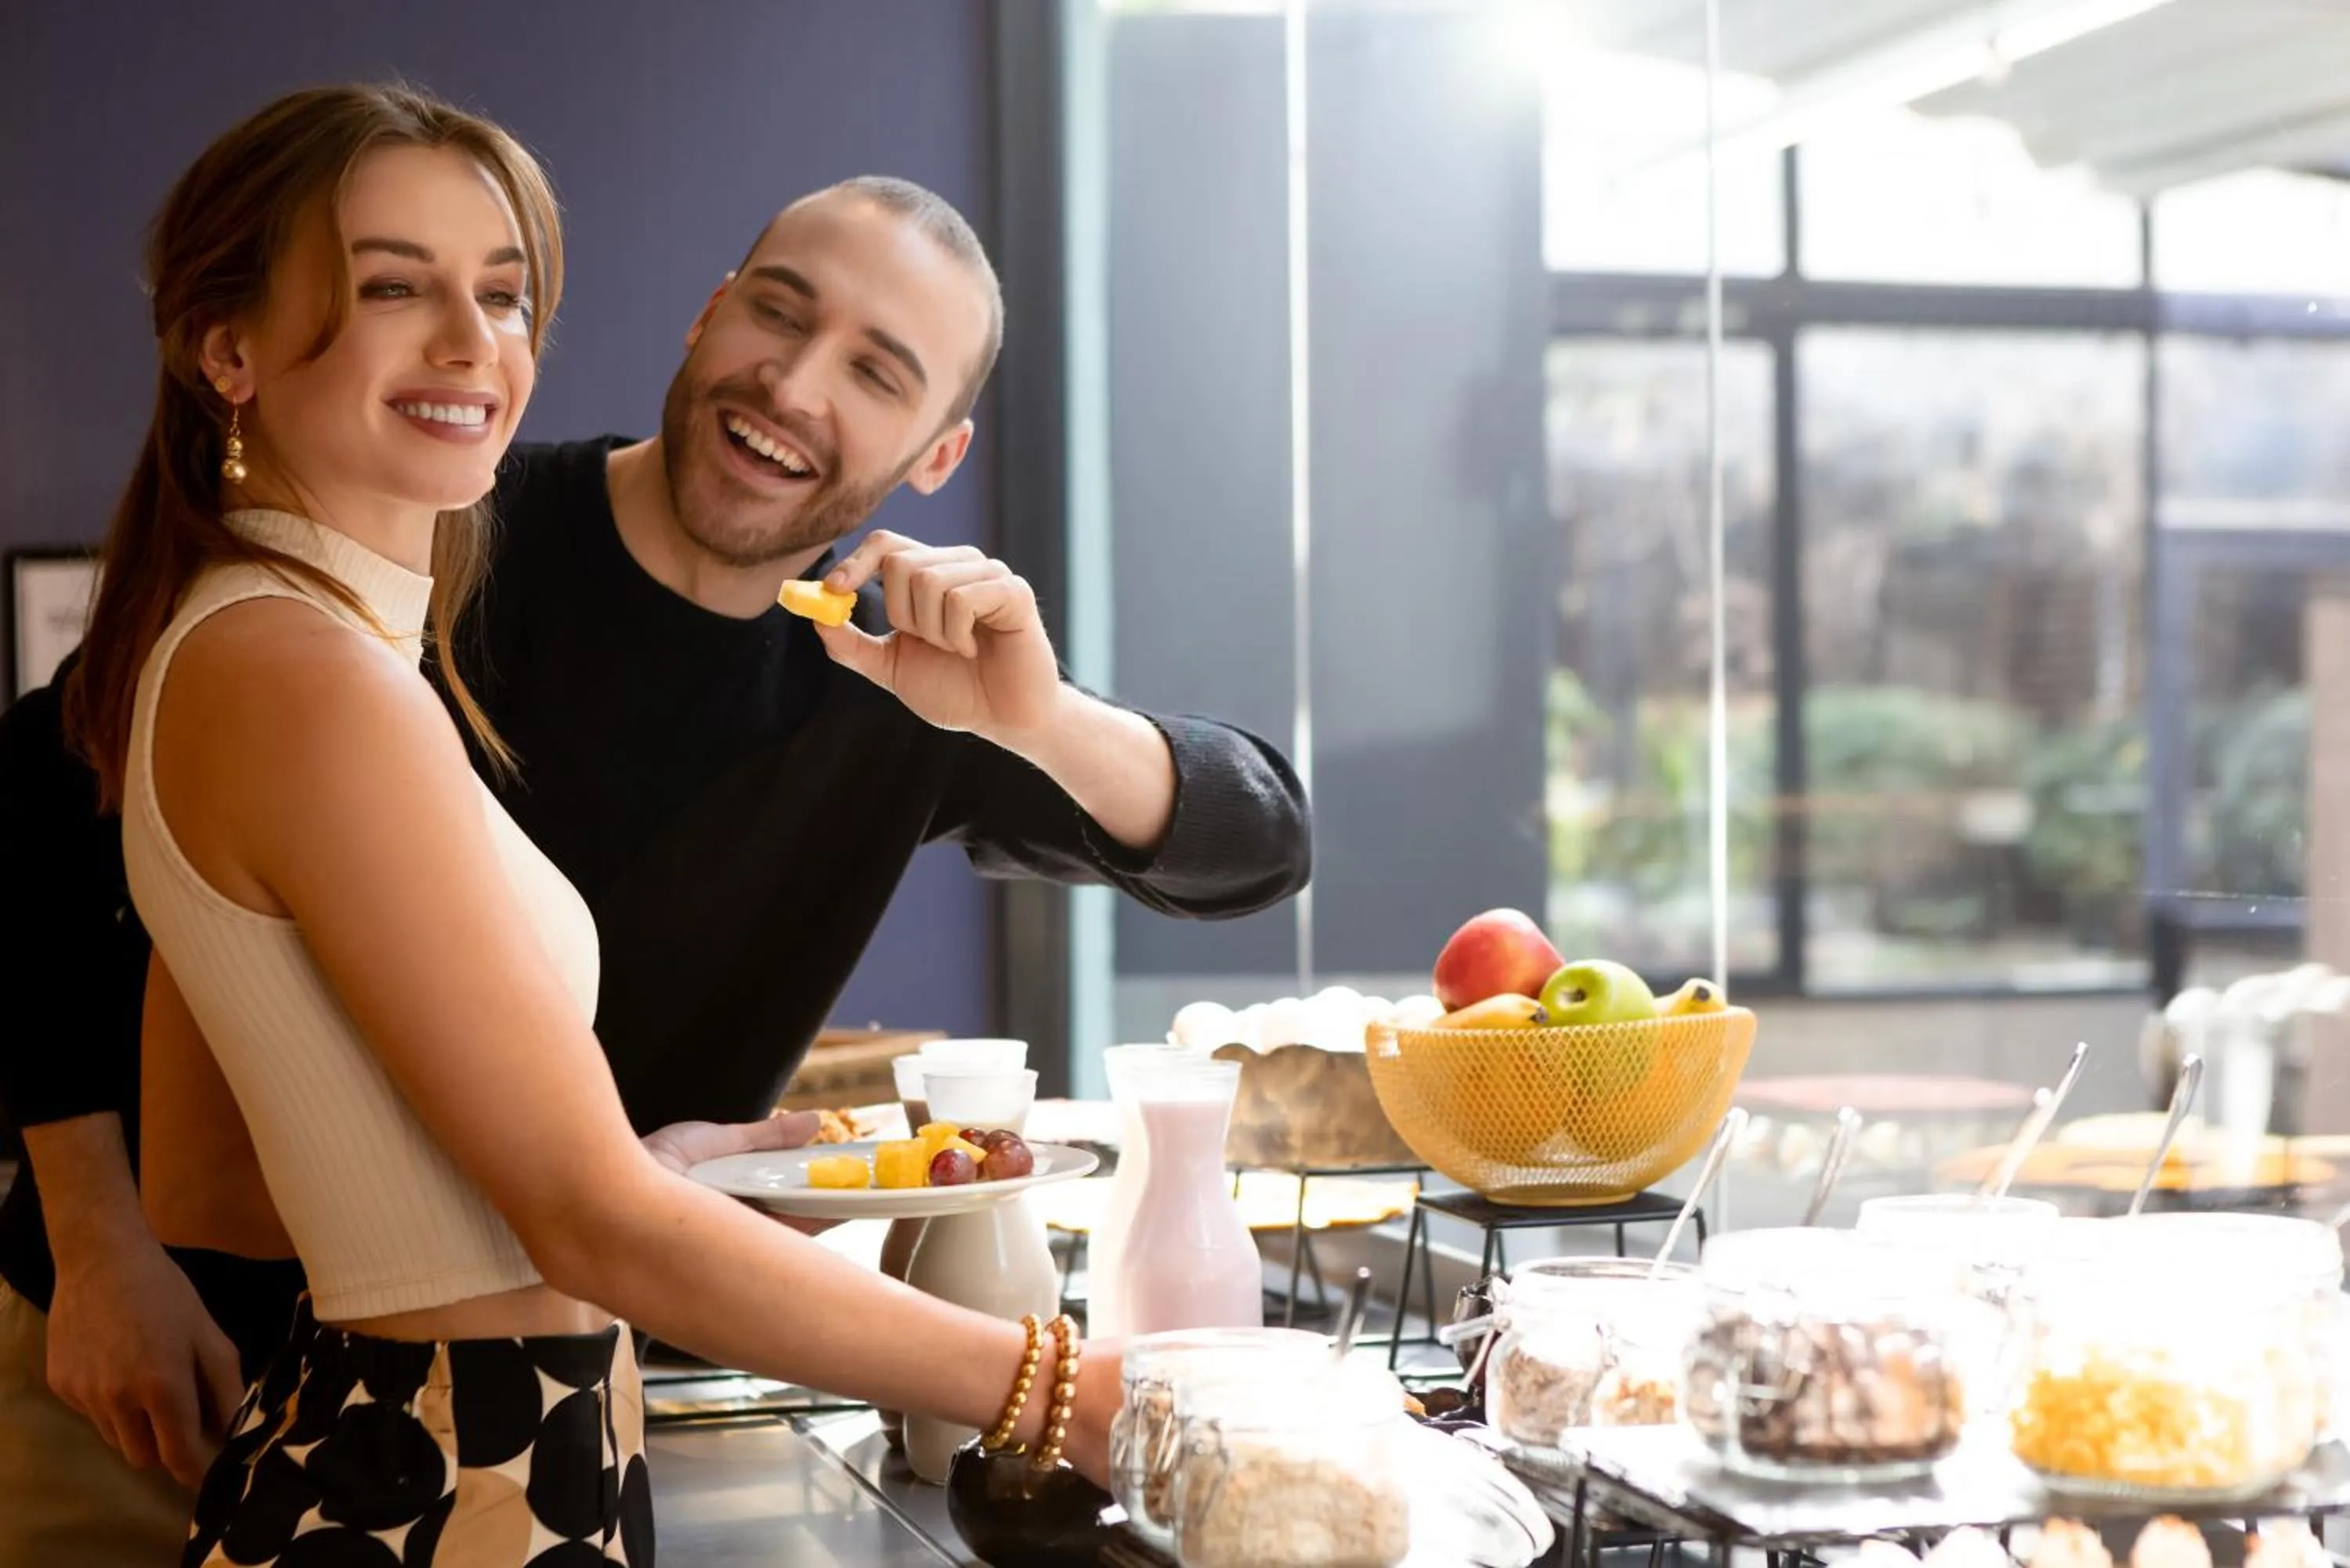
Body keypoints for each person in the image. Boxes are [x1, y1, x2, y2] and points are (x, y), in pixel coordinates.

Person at [0, 89, 1309, 1568]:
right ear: (706, 316)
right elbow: (40, 831)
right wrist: (95, 1239)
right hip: (240, 1377)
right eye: (778, 312)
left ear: (934, 455)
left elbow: (1259, 839)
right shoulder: (415, 565)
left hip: (463, 1389)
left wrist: (1040, 719)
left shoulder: (896, 681)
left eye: (875, 371)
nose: (798, 384)